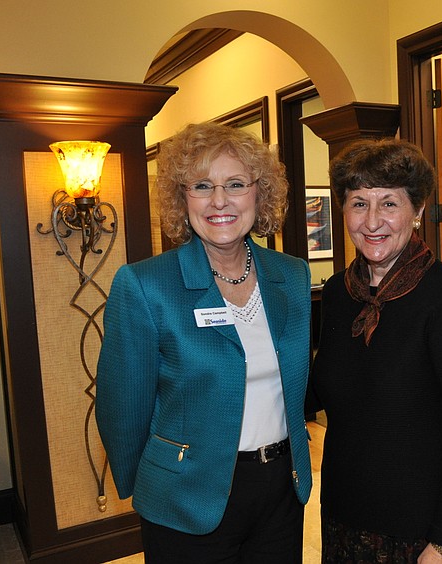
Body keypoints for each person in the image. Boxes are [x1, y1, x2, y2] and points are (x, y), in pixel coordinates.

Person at [96, 122, 312, 563]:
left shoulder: (291, 275)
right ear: (182, 198)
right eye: (201, 185)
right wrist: (153, 485)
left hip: (280, 491)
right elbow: (122, 407)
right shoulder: (145, 284)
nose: (219, 201)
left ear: (259, 193)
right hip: (185, 497)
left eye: (235, 184)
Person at [309, 139, 442, 564]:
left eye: (389, 204)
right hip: (343, 518)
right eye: (359, 204)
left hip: (422, 532)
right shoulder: (336, 294)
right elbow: (317, 392)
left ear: (418, 212)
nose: (372, 221)